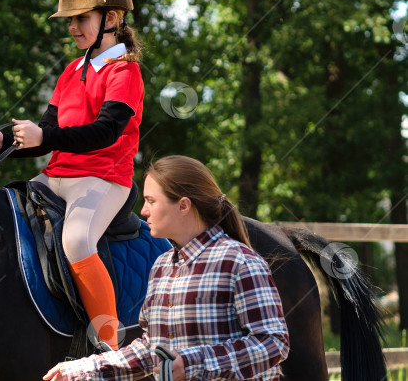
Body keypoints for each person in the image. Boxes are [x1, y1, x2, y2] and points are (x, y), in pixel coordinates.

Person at [0, 0, 144, 350]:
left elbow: (104, 133)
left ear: (113, 18)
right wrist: (5, 140)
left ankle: (109, 347)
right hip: (56, 175)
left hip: (104, 178)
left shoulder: (125, 73)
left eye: (81, 18)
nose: (72, 27)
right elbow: (44, 135)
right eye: (69, 20)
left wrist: (46, 136)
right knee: (1, 220)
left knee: (77, 241)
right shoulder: (72, 70)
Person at [43, 155, 290, 381]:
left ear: (183, 205)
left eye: (151, 201)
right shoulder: (161, 266)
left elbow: (273, 343)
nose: (143, 210)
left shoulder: (239, 262)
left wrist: (192, 363)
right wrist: (81, 370)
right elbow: (151, 350)